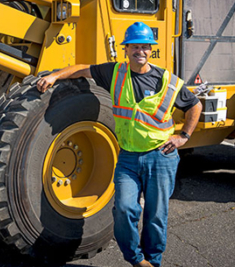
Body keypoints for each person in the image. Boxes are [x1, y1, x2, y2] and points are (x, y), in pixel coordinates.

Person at [36, 22, 202, 267]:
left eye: (145, 47)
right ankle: (135, 259)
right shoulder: (115, 72)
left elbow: (195, 105)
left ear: (151, 50)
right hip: (128, 158)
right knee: (124, 209)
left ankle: (152, 262)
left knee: (156, 216)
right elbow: (83, 69)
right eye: (135, 46)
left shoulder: (167, 80)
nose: (140, 51)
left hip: (161, 157)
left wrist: (184, 137)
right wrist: (53, 76)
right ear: (126, 49)